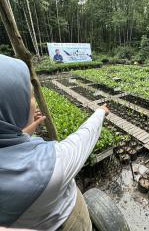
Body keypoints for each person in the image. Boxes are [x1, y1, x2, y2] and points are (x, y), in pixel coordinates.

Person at [0, 54, 110, 230]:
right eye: (30, 95)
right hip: (68, 222)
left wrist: (25, 131)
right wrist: (100, 112)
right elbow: (83, 138)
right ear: (13, 105)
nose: (35, 102)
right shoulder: (51, 167)